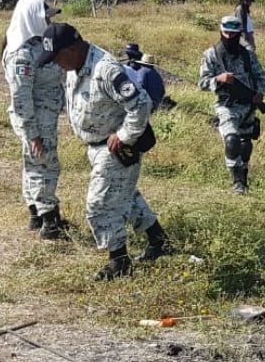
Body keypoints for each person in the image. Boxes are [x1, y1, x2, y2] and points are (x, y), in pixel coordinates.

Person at [37, 23, 171, 281]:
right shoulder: (75, 65)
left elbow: (141, 103)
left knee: (99, 205)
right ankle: (158, 240)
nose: (56, 64)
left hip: (116, 149)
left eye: (57, 57)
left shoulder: (105, 70)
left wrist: (124, 136)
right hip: (96, 147)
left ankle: (119, 261)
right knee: (125, 196)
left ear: (73, 49)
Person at [2, 0, 67, 240]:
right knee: (45, 166)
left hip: (43, 118)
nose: (49, 22)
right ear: (32, 19)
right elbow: (21, 98)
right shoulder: (22, 55)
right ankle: (50, 222)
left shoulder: (37, 46)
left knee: (33, 164)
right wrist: (32, 134)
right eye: (45, 17)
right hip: (36, 121)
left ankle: (36, 214)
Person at [198, 14, 265, 195]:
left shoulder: (248, 54)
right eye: (226, 33)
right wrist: (218, 79)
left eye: (233, 34)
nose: (229, 37)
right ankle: (236, 181)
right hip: (227, 106)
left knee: (245, 145)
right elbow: (202, 83)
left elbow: (261, 76)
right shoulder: (211, 54)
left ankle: (243, 179)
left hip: (248, 106)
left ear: (239, 34)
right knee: (232, 140)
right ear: (221, 32)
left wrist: (260, 93)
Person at [119, 42, 168, 110]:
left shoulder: (142, 72)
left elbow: (140, 87)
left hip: (147, 105)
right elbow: (162, 91)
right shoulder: (156, 73)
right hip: (157, 104)